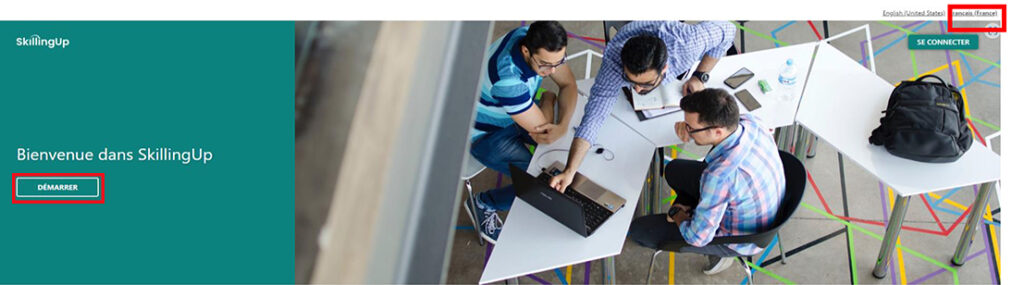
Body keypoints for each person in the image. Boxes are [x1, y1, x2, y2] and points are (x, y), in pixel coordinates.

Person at [547, 21, 737, 195]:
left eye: (645, 84)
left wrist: (700, 75)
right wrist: (570, 170)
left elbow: (728, 30)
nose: (637, 90)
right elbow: (594, 117)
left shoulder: (687, 44)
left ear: (664, 69)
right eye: (631, 81)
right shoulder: (614, 62)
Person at [628, 88, 785, 275]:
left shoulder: (720, 176)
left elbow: (697, 237)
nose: (686, 130)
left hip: (741, 238)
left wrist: (678, 213)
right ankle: (700, 208)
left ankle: (721, 255)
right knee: (674, 169)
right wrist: (688, 127)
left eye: (691, 128)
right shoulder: (751, 122)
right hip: (761, 203)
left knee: (638, 230)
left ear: (717, 131)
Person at [464, 21, 579, 243]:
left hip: (513, 114)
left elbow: (569, 85)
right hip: (485, 136)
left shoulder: (533, 38)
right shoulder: (508, 80)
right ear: (526, 51)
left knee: (564, 149)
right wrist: (548, 98)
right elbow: (544, 133)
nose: (552, 71)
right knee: (540, 181)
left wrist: (562, 123)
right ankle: (483, 203)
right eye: (545, 65)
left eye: (559, 62)